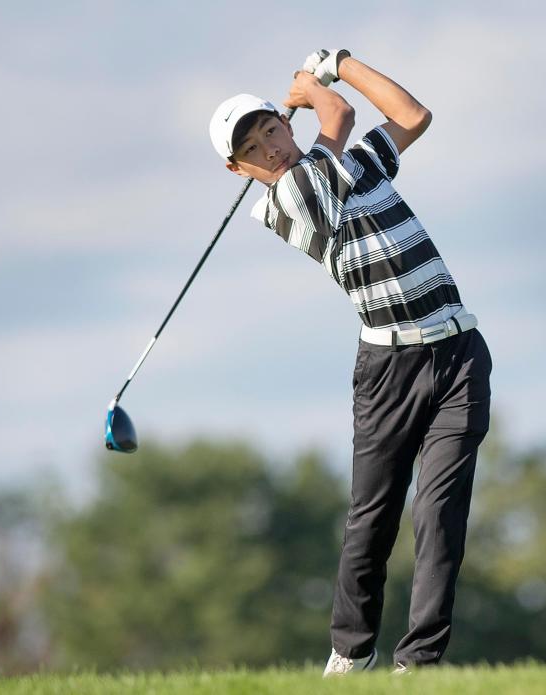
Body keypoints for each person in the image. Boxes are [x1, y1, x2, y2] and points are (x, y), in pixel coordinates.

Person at [208, 49, 492, 676]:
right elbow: (337, 114)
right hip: (389, 370)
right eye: (255, 147)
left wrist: (344, 61)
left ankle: (419, 661)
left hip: (458, 351)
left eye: (273, 129)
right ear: (240, 169)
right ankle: (352, 650)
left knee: (440, 513)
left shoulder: (352, 168)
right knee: (374, 514)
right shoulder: (288, 200)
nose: (273, 148)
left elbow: (412, 115)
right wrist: (319, 81)